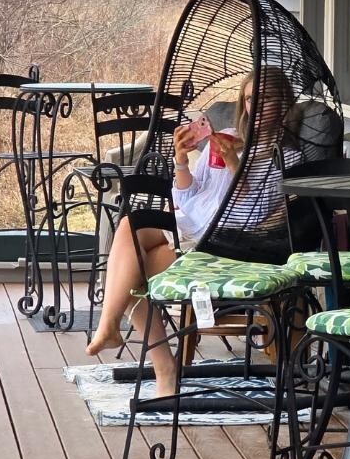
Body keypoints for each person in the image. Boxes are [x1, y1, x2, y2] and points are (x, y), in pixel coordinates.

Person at [86, 68, 287, 395]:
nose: (256, 105)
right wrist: (181, 160)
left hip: (226, 239)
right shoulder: (225, 136)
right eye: (250, 98)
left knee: (133, 271)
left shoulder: (281, 155)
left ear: (282, 104)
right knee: (129, 224)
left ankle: (162, 367)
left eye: (265, 98)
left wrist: (235, 162)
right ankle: (112, 327)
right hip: (189, 223)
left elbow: (254, 210)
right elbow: (189, 192)